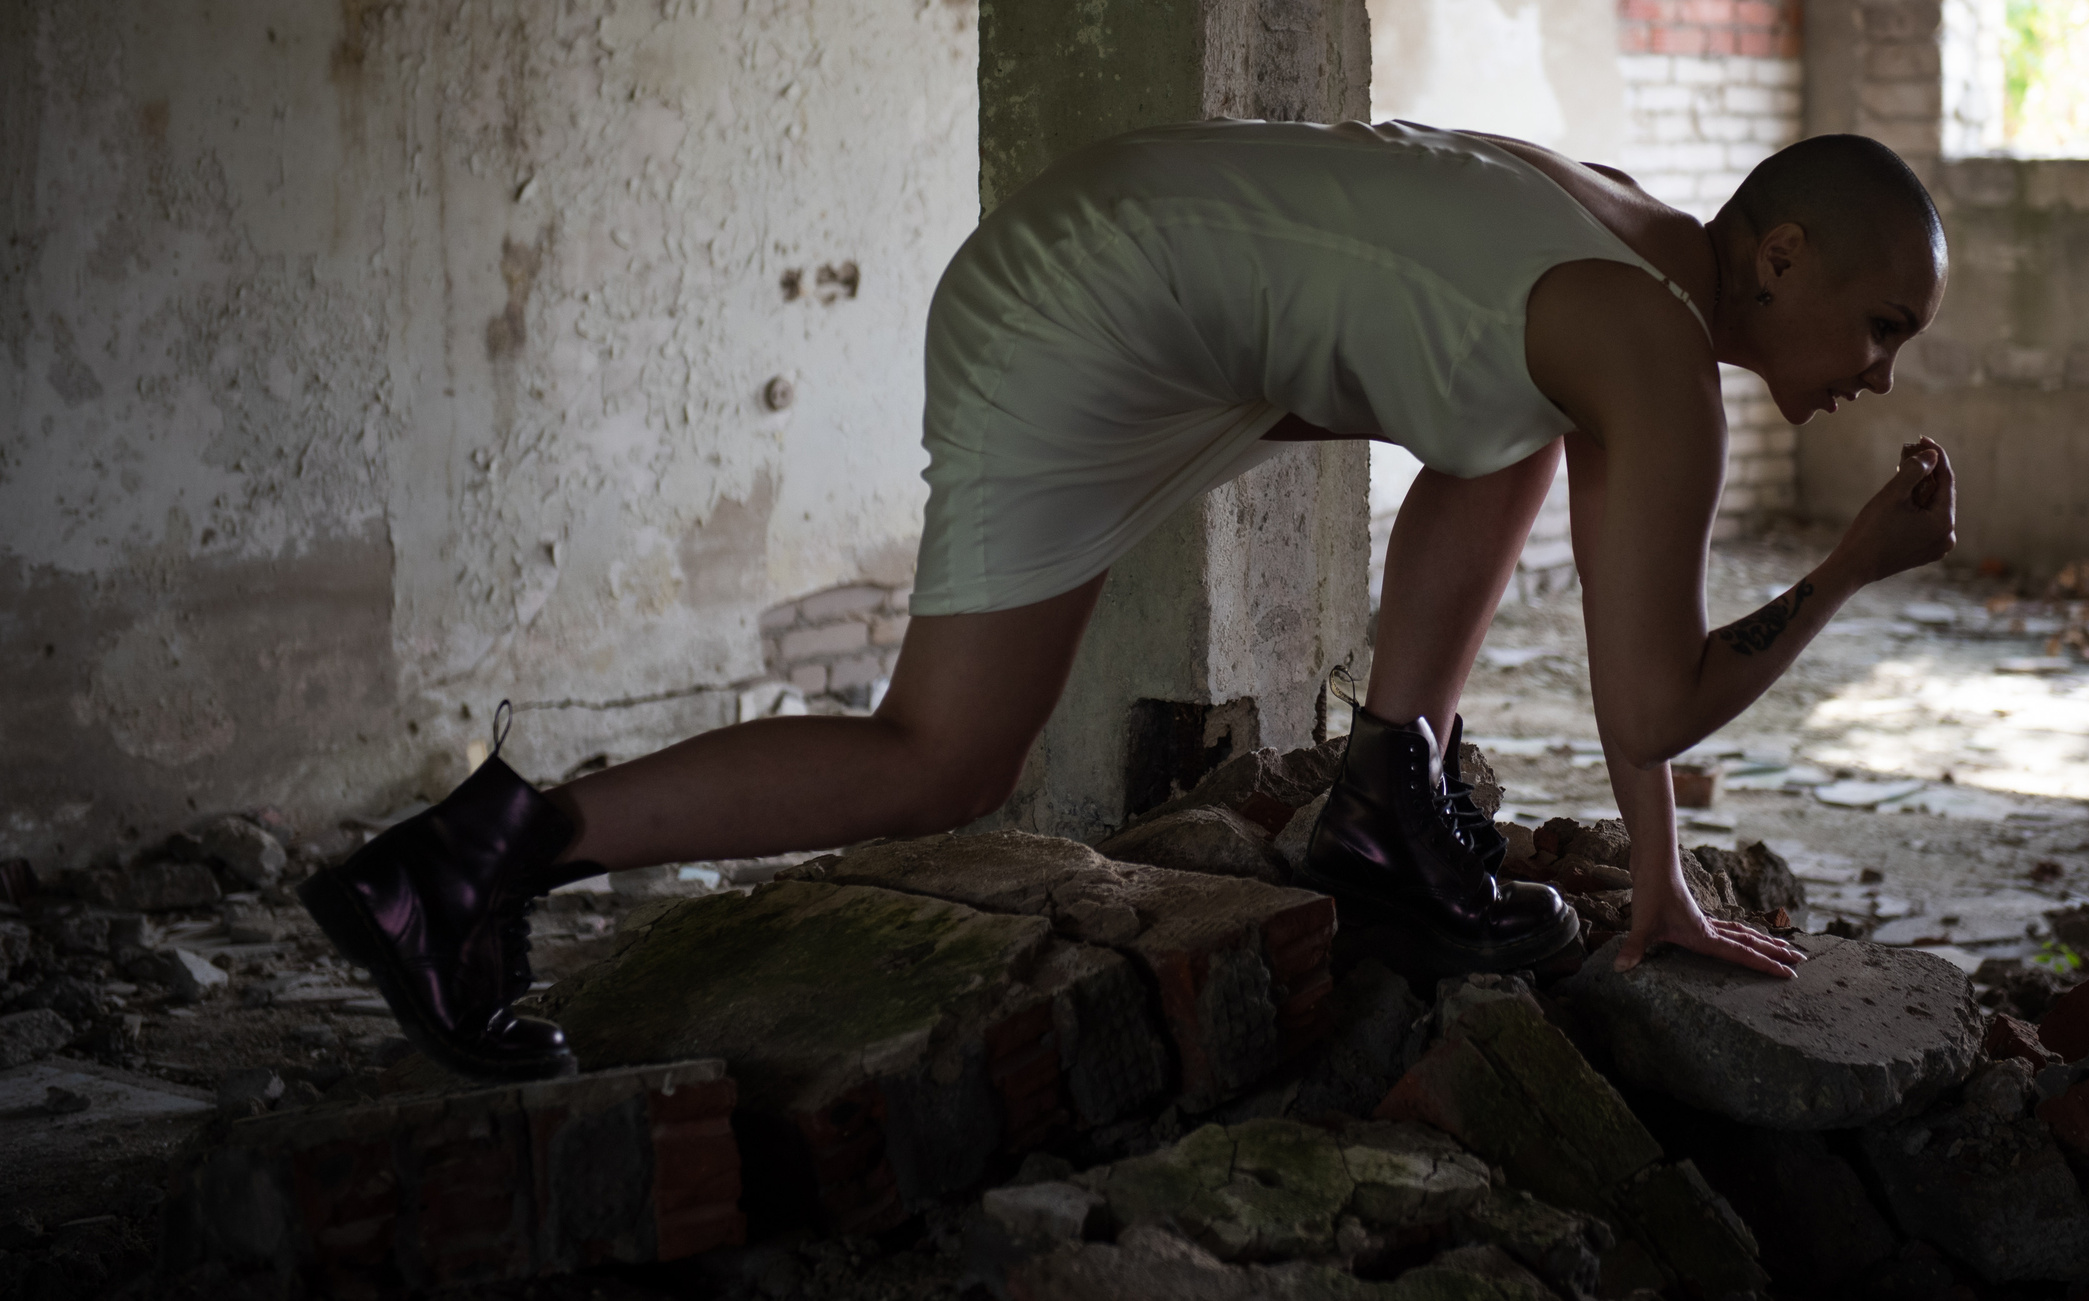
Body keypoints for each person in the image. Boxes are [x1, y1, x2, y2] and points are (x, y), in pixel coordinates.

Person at [298, 119, 1958, 1080]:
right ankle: (462, 869)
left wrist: (1661, 874)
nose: (1880, 373)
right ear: (1782, 254)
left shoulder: (1626, 265)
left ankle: (1391, 798)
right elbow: (1656, 694)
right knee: (943, 756)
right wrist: (1844, 571)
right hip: (1082, 310)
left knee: (1501, 421)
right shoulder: (1649, 341)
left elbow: (1617, 605)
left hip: (1121, 254)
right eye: (1883, 324)